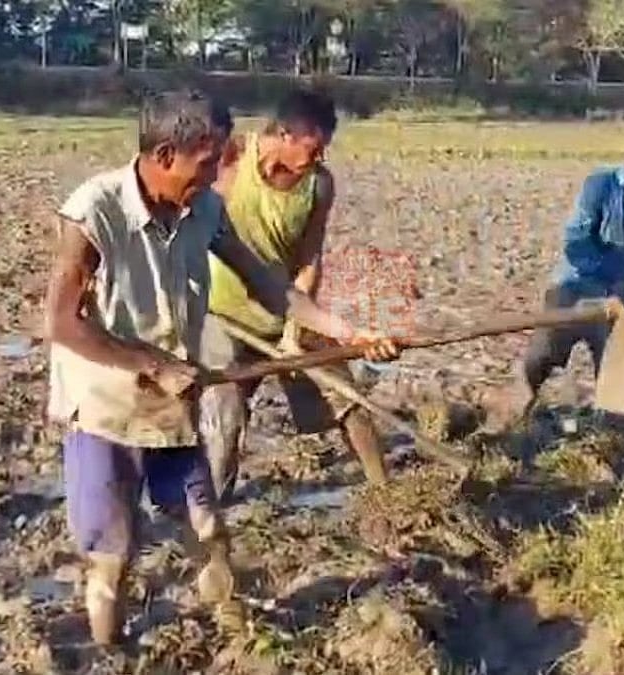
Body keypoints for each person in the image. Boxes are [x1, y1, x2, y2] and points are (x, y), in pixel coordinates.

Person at [43, 91, 397, 646]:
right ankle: (110, 652)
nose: (214, 177)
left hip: (170, 409)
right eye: (206, 164)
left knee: (209, 531)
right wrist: (152, 363)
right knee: (114, 561)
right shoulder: (94, 211)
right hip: (105, 410)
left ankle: (243, 640)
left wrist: (346, 333)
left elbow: (270, 285)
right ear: (165, 155)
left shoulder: (205, 209)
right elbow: (62, 324)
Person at [199, 88, 390, 503]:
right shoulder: (228, 164)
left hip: (285, 309)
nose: (319, 158)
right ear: (284, 135)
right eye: (314, 148)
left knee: (346, 397)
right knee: (225, 414)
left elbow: (308, 260)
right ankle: (210, 514)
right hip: (222, 314)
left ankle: (385, 493)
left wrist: (293, 331)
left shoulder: (319, 186)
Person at [494, 124, 624, 425]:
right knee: (539, 358)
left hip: (620, 306)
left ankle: (622, 431)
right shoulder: (601, 185)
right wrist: (612, 280)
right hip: (573, 290)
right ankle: (504, 418)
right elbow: (576, 241)